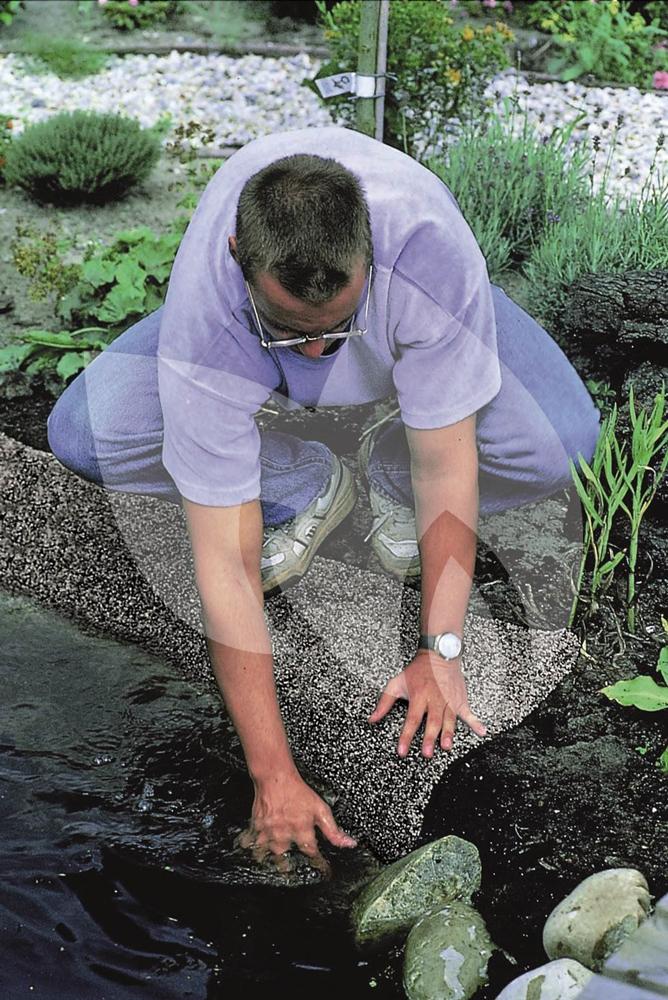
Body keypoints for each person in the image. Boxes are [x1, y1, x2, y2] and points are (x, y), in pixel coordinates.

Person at [47, 125, 600, 875]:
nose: (314, 352)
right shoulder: (211, 306)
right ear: (239, 257)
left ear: (370, 254)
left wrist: (441, 648)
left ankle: (388, 466)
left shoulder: (427, 253)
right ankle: (307, 482)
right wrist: (272, 775)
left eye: (334, 327)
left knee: (559, 444)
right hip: (248, 342)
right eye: (289, 330)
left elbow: (448, 464)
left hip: (411, 317)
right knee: (86, 433)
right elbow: (226, 565)